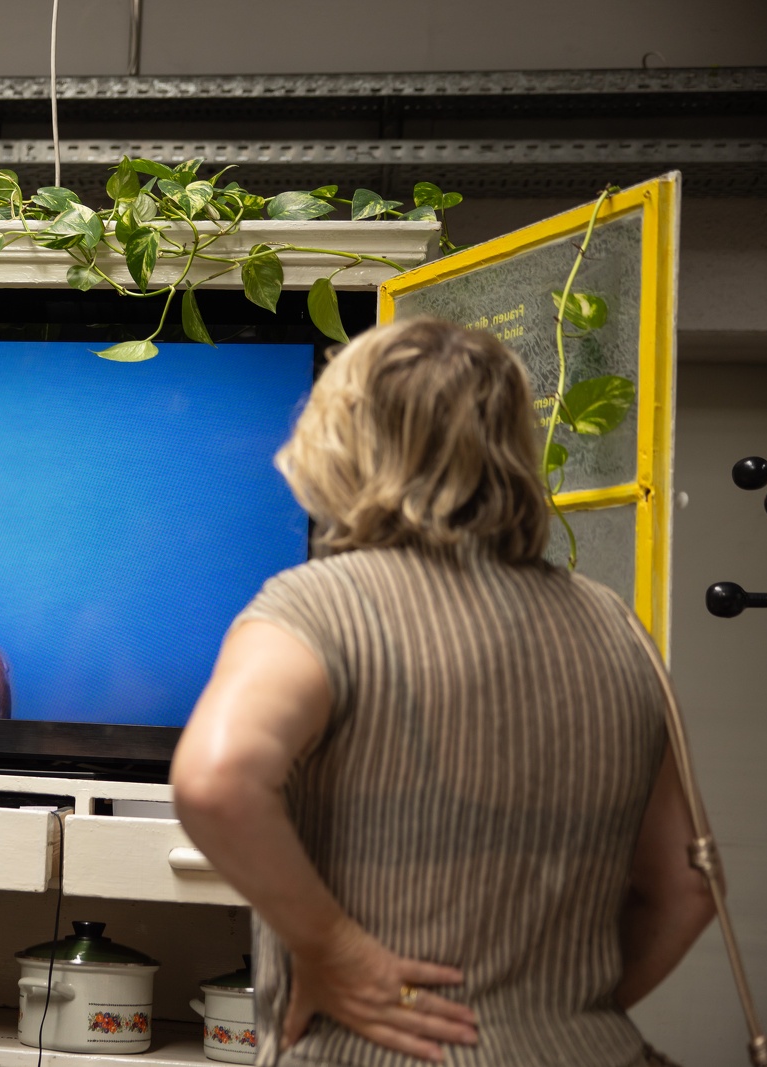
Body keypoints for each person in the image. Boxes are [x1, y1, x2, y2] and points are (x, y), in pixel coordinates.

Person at [171, 318, 715, 1066]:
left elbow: (215, 780)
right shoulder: (615, 623)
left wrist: (336, 951)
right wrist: (548, 1020)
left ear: (342, 442)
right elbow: (689, 887)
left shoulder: (318, 606)